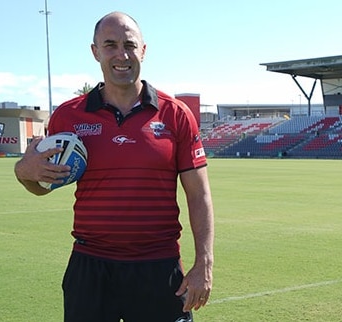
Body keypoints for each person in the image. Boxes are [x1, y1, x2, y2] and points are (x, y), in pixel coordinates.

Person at [14, 12, 214, 322]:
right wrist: (24, 173)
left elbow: (199, 195)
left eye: (129, 45)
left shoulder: (176, 114)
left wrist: (204, 263)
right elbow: (42, 184)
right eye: (110, 45)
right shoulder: (68, 117)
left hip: (158, 267)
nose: (121, 55)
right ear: (95, 51)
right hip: (90, 267)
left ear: (143, 51)